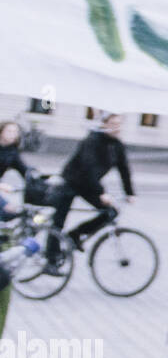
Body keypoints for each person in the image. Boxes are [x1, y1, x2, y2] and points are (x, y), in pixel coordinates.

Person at [46, 112, 135, 269]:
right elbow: (89, 167)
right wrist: (101, 192)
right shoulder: (93, 140)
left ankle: (75, 235)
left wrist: (129, 193)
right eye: (113, 124)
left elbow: (124, 169)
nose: (116, 128)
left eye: (119, 124)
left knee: (111, 212)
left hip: (88, 185)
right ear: (104, 124)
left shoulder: (117, 145)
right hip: (72, 181)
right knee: (59, 220)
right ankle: (51, 260)